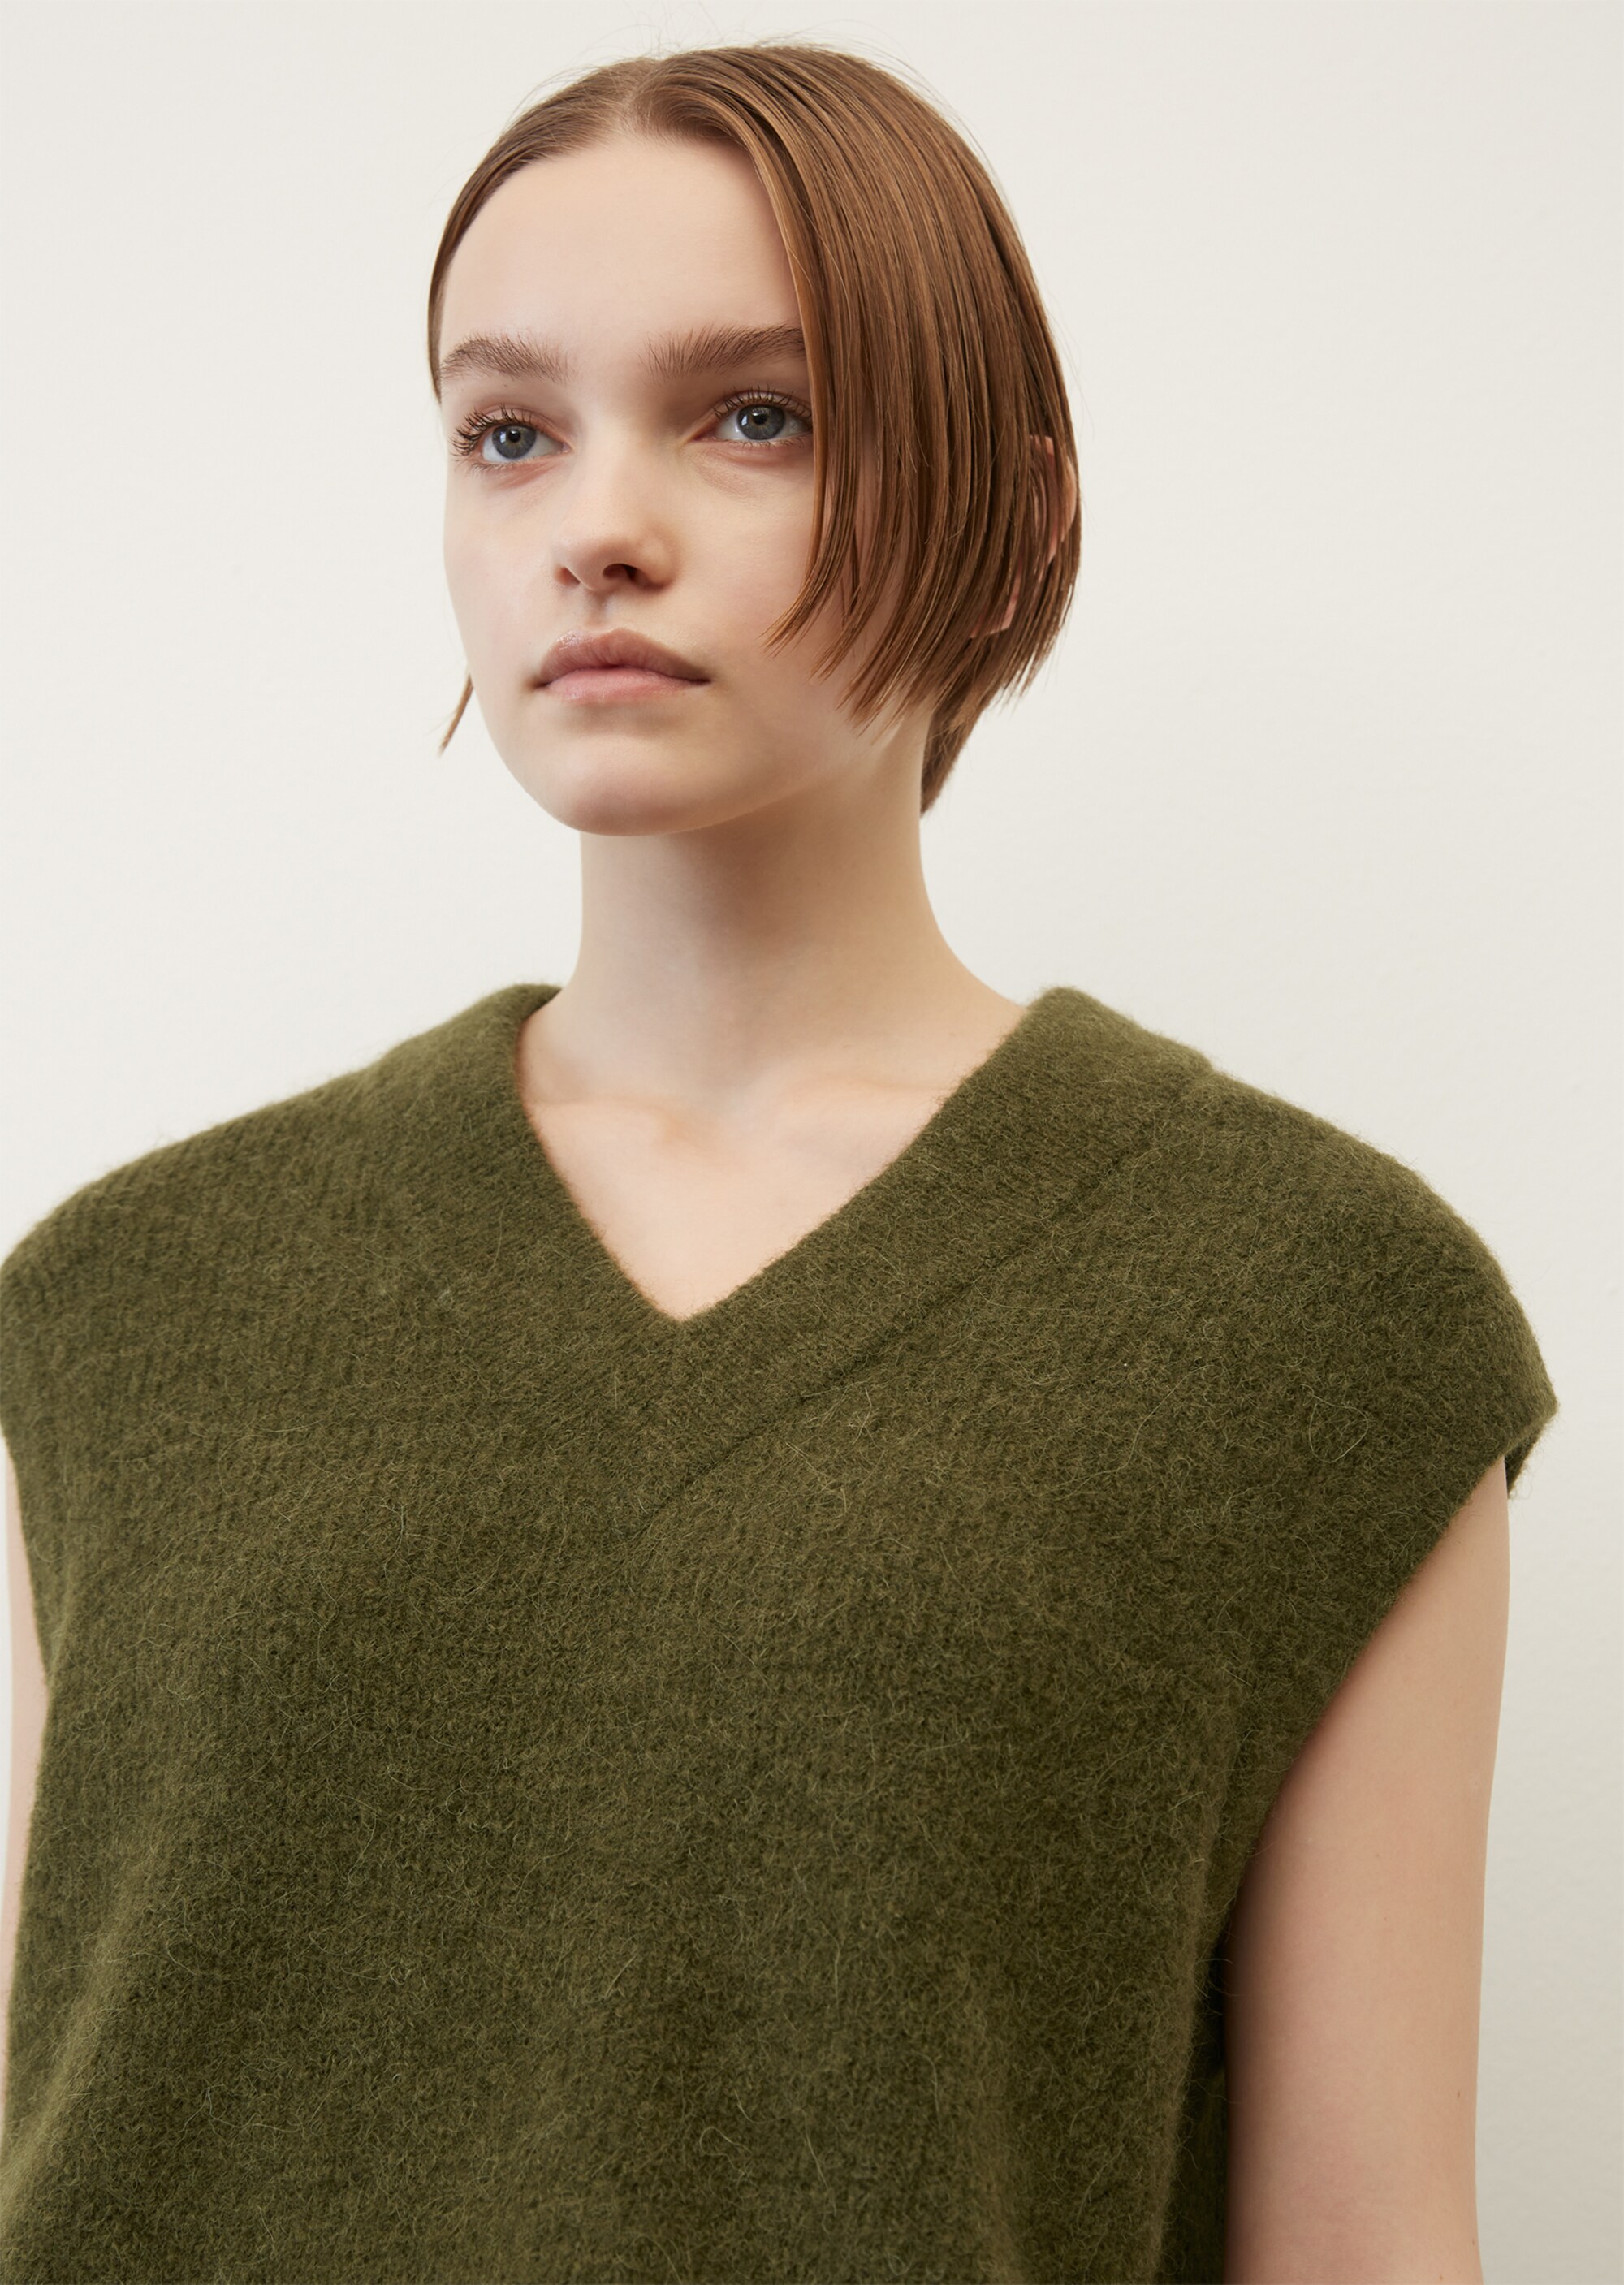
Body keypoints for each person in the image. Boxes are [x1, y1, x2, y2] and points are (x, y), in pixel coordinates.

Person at [0, 41, 1557, 2285]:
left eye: (755, 416)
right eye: (509, 431)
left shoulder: (1321, 1320)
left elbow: (1366, 2239)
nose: (595, 524)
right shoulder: (128, 1303)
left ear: (1021, 515)